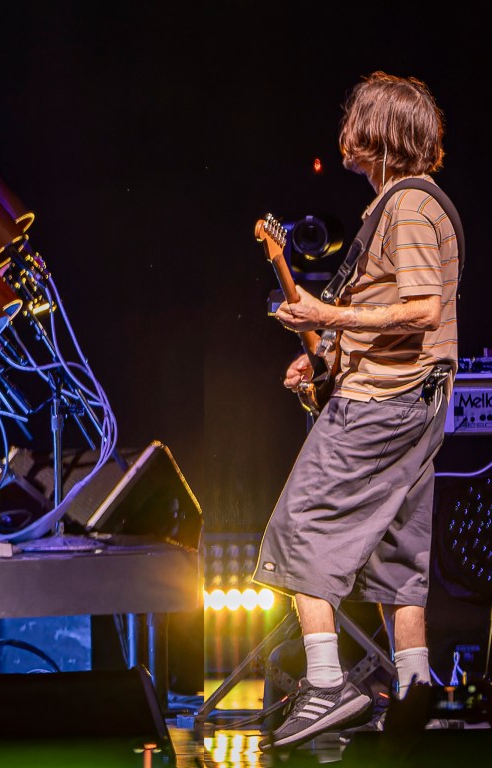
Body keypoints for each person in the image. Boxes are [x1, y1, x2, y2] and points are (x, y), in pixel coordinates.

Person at [258, 72, 461, 749]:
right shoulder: (407, 205)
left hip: (382, 404)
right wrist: (325, 358)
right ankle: (415, 692)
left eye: (357, 118)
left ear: (380, 131)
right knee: (399, 553)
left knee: (298, 528)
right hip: (412, 403)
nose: (346, 129)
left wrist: (326, 316)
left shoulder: (409, 206)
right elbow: (398, 312)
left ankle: (324, 685)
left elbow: (423, 308)